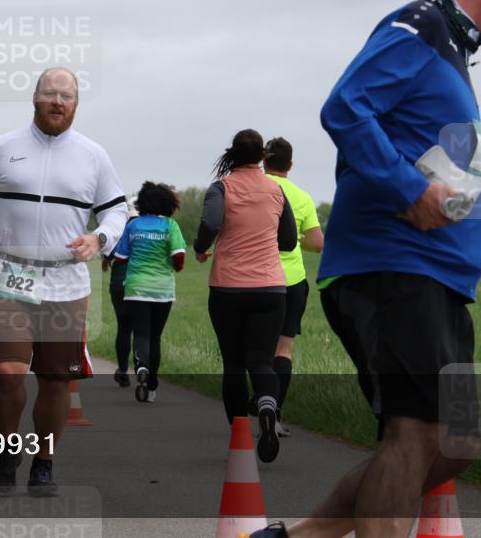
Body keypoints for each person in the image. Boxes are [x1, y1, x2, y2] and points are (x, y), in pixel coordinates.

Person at [249, 0, 481, 538]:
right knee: (415, 432)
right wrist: (410, 191)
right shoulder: (419, 26)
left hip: (439, 275)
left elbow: (426, 151)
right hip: (394, 269)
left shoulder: (452, 50)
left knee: (461, 440)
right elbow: (344, 108)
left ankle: (295, 537)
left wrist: (473, 231)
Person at [0, 67, 128, 496]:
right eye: (50, 93)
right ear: (34, 98)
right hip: (13, 274)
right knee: (8, 371)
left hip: (65, 282)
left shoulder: (93, 156)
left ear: (76, 104)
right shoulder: (0, 147)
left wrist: (99, 238)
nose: (57, 102)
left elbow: (116, 210)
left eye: (66, 96)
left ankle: (44, 460)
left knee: (55, 379)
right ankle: (8, 447)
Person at [193, 129, 296, 464]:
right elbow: (289, 240)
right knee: (262, 362)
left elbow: (210, 223)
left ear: (232, 154)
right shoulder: (277, 190)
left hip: (228, 289)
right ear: (261, 157)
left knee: (234, 364)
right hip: (270, 289)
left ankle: (240, 442)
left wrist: (201, 247)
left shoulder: (221, 188)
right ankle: (267, 406)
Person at [257, 137, 324, 437]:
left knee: (258, 350)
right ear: (291, 165)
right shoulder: (302, 197)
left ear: (264, 162)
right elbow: (317, 243)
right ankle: (275, 413)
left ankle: (258, 401)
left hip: (256, 278)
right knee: (283, 349)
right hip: (293, 280)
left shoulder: (255, 189)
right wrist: (297, 239)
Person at [112, 183, 187, 403]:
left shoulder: (133, 225)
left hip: (136, 288)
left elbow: (121, 258)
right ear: (167, 203)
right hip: (163, 290)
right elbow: (179, 256)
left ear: (141, 203)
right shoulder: (170, 225)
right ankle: (152, 385)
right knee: (155, 337)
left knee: (141, 334)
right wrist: (175, 267)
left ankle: (141, 366)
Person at [102, 235, 133, 387]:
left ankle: (123, 371)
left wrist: (106, 259)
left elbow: (108, 251)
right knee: (142, 331)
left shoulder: (120, 233)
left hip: (119, 285)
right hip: (144, 285)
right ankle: (143, 370)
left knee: (124, 328)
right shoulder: (152, 229)